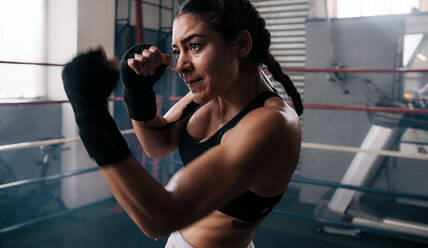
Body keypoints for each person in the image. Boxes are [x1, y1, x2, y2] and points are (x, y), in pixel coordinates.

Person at [62, 0, 303, 247]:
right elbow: (158, 144)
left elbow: (159, 218)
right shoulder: (211, 93)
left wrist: (90, 114)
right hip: (177, 240)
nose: (180, 66)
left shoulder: (273, 125)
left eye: (195, 46)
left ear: (241, 44)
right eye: (178, 51)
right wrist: (138, 94)